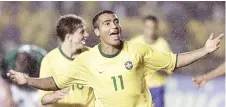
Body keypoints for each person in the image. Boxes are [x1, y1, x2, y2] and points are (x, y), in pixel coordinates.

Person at [7, 10, 224, 107]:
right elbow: (53, 82)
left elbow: (175, 61)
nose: (114, 26)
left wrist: (204, 50)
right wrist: (28, 80)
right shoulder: (86, 60)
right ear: (97, 32)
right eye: (107, 23)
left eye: (116, 21)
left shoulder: (138, 50)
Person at [38, 14, 95, 107]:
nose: (86, 35)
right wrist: (54, 96)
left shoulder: (93, 56)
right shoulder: (49, 61)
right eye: (82, 32)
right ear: (69, 37)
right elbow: (44, 99)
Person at [130, 15, 172, 107]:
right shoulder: (134, 43)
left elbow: (167, 72)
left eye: (153, 28)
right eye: (148, 27)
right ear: (144, 28)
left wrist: (152, 66)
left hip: (156, 89)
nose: (150, 30)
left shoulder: (163, 46)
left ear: (157, 28)